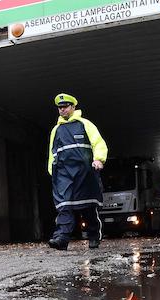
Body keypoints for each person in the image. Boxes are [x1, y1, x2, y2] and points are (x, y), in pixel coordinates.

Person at [47, 94, 108, 250]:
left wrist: (99, 159)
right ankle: (62, 238)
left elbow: (98, 143)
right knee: (64, 206)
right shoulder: (56, 130)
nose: (62, 110)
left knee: (88, 207)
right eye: (60, 107)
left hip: (85, 173)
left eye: (65, 106)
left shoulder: (85, 124)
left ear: (73, 107)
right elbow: (52, 154)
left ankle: (94, 237)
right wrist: (53, 173)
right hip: (64, 175)